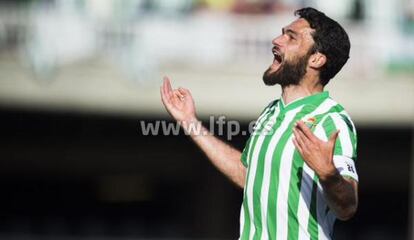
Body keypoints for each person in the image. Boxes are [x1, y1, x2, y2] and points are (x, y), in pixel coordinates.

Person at [160, 7, 358, 240]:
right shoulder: (271, 112)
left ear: (316, 59)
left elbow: (347, 206)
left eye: (291, 37)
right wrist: (190, 122)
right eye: (282, 33)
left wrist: (328, 174)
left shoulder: (332, 119)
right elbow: (249, 175)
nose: (277, 40)